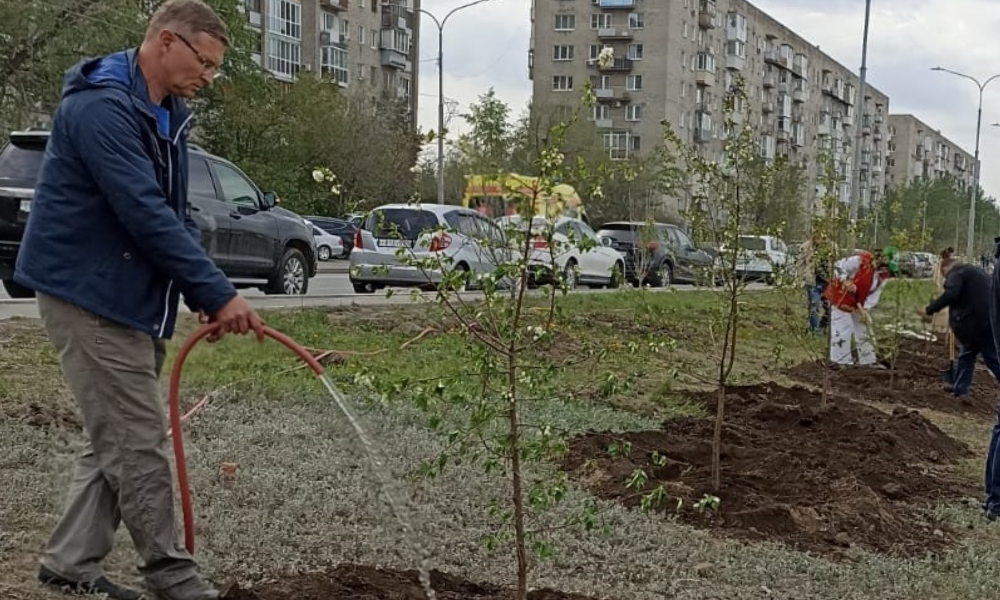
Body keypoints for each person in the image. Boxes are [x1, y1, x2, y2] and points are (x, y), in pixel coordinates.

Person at [12, 2, 264, 599]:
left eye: (215, 68)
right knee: (136, 443)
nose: (209, 77)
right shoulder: (102, 107)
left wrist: (203, 286)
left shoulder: (164, 112)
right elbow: (142, 212)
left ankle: (70, 564)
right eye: (205, 63)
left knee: (116, 436)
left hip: (128, 296)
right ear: (167, 42)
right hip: (90, 295)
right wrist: (217, 292)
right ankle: (172, 576)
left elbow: (171, 212)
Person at [919, 257, 998, 397]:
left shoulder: (956, 272)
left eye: (944, 275)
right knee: (966, 355)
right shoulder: (976, 272)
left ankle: (960, 390)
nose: (945, 278)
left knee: (991, 359)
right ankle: (960, 391)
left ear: (945, 268)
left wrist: (930, 309)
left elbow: (951, 294)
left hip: (977, 323)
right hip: (988, 320)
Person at [823, 249, 882, 366]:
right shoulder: (860, 260)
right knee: (843, 328)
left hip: (858, 303)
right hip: (841, 297)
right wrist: (845, 280)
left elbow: (874, 294)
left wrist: (865, 309)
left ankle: (868, 360)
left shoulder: (883, 277)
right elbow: (838, 266)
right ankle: (840, 361)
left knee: (864, 328)